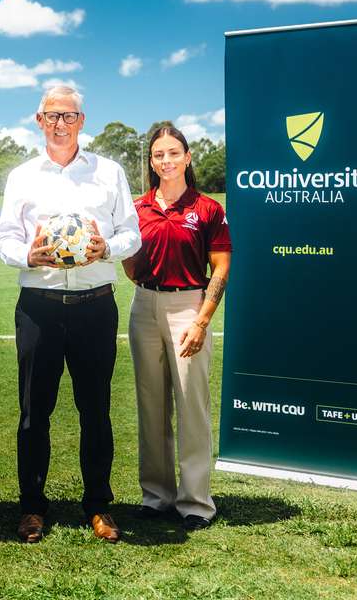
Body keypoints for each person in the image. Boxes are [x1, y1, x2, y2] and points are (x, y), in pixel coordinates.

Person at [0, 84, 141, 544]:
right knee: (33, 414)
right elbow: (5, 241)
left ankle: (99, 506)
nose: (60, 123)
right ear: (38, 120)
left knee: (95, 410)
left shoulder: (110, 171)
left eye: (69, 115)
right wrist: (29, 256)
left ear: (83, 120)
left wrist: (106, 248)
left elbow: (131, 234)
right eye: (52, 115)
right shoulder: (21, 176)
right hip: (38, 309)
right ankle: (32, 508)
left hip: (95, 306)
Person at [122, 125, 231, 531]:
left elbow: (220, 265)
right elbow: (129, 259)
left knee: (191, 406)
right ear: (150, 162)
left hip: (189, 307)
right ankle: (157, 496)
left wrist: (202, 320)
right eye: (158, 155)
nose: (166, 161)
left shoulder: (206, 208)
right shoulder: (137, 207)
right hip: (144, 307)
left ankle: (196, 503)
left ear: (187, 157)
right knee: (151, 406)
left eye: (173, 153)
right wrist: (144, 284)